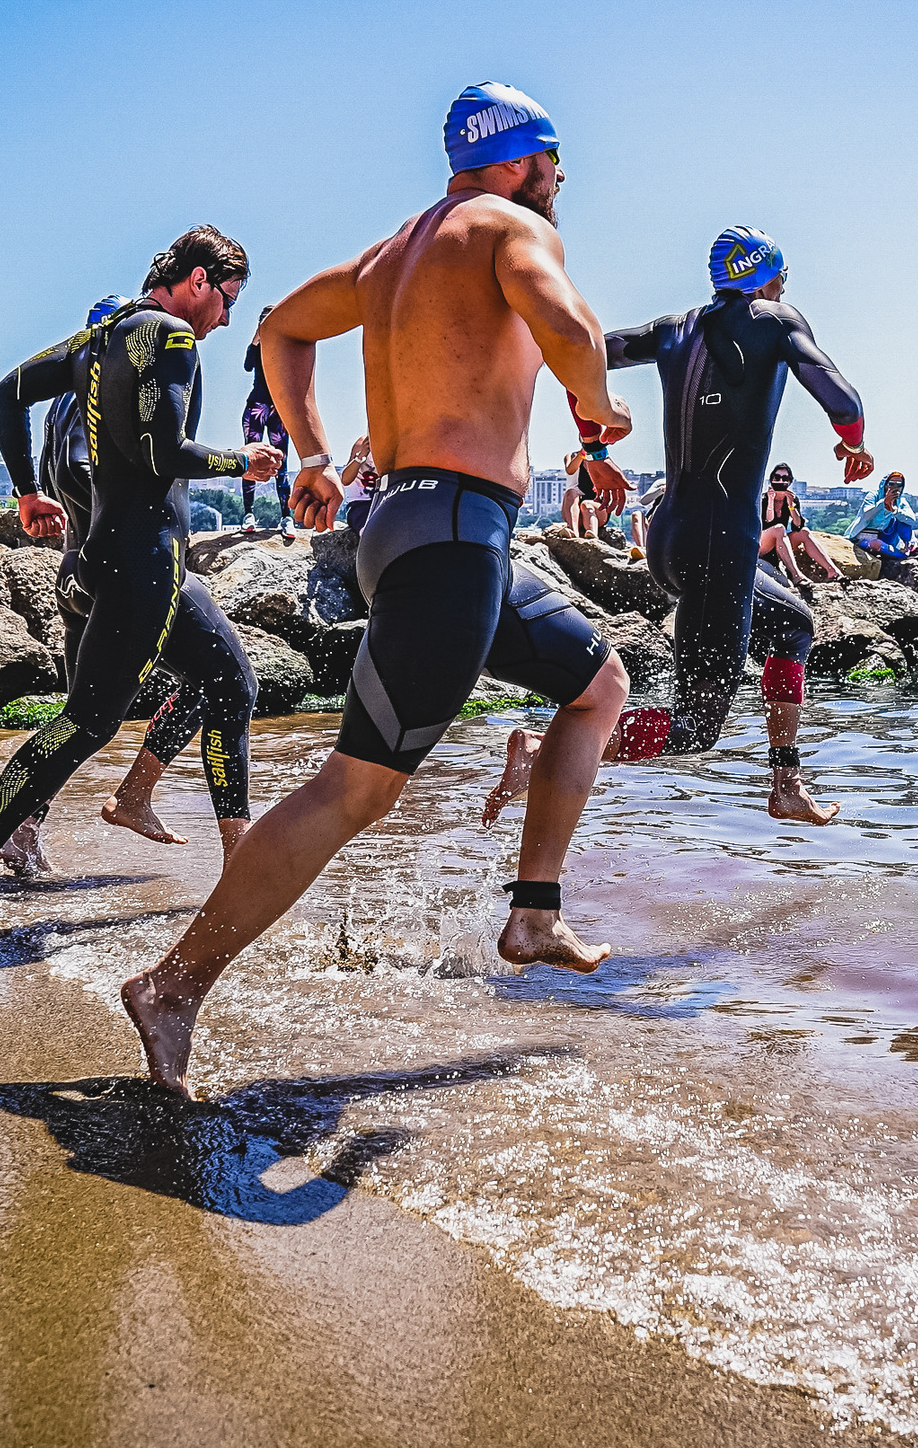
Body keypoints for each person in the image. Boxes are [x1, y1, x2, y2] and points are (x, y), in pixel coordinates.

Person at [120, 81, 642, 1098]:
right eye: (554, 158)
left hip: (419, 530)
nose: (562, 178)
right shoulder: (504, 225)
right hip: (449, 535)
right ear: (517, 159)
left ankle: (533, 909)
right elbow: (571, 329)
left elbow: (276, 328)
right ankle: (173, 986)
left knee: (598, 685)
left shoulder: (392, 253)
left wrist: (314, 454)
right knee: (354, 789)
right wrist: (598, 408)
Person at [0, 228, 269, 934]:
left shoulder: (102, 335)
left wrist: (26, 490)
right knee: (89, 719)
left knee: (225, 681)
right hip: (144, 560)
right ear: (199, 279)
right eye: (227, 300)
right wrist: (244, 462)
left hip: (102, 553)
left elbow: (5, 394)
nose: (225, 320)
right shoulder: (170, 336)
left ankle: (236, 858)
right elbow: (161, 451)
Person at [493, 223, 871, 829]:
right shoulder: (776, 321)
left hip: (670, 538)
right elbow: (844, 401)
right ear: (765, 276)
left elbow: (577, 352)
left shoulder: (673, 330)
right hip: (720, 547)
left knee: (794, 624)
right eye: (782, 276)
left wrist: (595, 449)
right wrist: (854, 443)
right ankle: (540, 753)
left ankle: (786, 782)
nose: (785, 286)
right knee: (693, 729)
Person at [240, 305, 297, 540]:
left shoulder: (286, 345)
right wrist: (258, 333)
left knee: (280, 464)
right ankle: (248, 514)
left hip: (278, 410)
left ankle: (287, 517)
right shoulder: (258, 346)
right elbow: (247, 365)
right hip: (257, 407)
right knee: (249, 460)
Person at [758, 463, 839, 589]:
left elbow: (798, 526)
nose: (781, 481)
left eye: (785, 479)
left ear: (790, 482)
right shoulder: (763, 499)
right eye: (777, 477)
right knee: (779, 528)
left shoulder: (791, 500)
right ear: (772, 479)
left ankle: (833, 571)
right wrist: (770, 500)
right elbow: (768, 521)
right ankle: (796, 575)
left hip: (777, 544)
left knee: (804, 532)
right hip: (761, 544)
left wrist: (791, 506)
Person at [850, 472, 918, 582]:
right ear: (884, 485)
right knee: (876, 544)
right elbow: (867, 515)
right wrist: (883, 503)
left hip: (885, 534)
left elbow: (911, 520)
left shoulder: (901, 501)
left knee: (902, 522)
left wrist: (895, 510)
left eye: (899, 485)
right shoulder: (872, 496)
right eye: (891, 484)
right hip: (864, 536)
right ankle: (901, 555)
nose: (895, 488)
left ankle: (909, 547)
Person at [338, 434, 377, 533]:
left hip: (386, 500)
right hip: (361, 503)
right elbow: (345, 480)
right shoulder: (363, 442)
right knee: (369, 531)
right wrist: (360, 456)